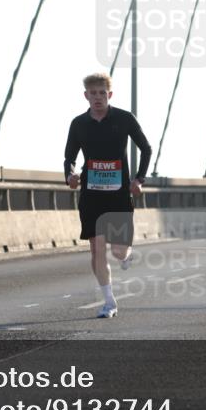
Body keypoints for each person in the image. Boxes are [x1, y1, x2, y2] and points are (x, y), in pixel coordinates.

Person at [64, 72, 152, 319]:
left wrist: (139, 179)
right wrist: (70, 176)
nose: (98, 97)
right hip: (91, 195)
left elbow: (146, 148)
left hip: (119, 194)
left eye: (102, 93)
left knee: (119, 251)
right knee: (97, 249)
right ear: (86, 96)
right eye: (93, 93)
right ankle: (109, 302)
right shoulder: (79, 124)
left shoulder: (124, 119)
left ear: (109, 95)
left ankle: (127, 254)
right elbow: (69, 157)